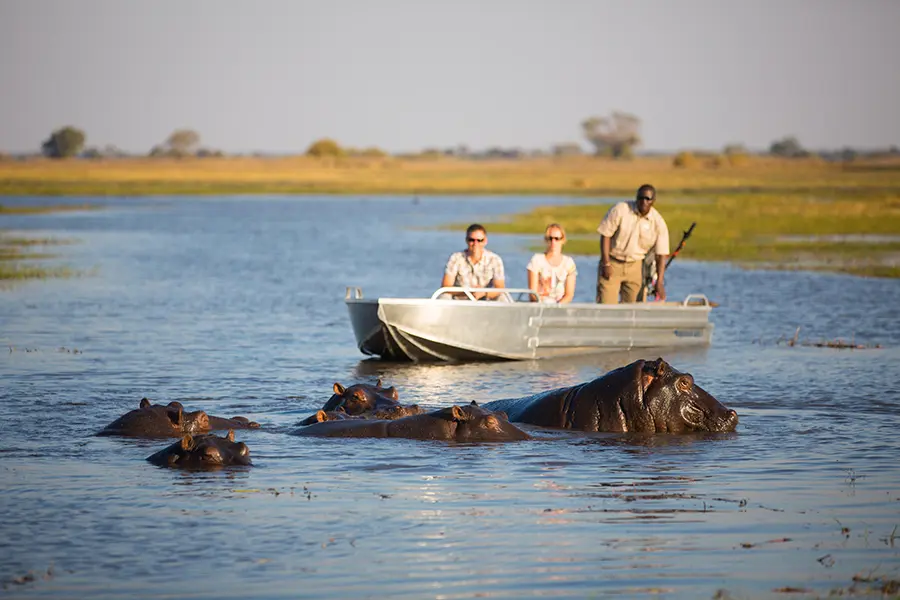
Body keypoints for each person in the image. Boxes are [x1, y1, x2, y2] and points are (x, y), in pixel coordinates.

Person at [596, 184, 670, 304]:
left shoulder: (658, 222)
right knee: (606, 307)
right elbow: (605, 235)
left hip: (636, 267)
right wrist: (606, 263)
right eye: (640, 198)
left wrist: (659, 282)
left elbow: (661, 254)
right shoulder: (620, 210)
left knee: (634, 310)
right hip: (613, 263)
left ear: (653, 201)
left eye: (647, 199)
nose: (643, 201)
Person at [441, 224, 506, 300]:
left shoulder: (495, 259)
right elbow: (446, 286)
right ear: (466, 240)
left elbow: (500, 287)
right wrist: (468, 292)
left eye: (479, 240)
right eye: (471, 240)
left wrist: (484, 292)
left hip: (486, 300)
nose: (475, 244)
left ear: (485, 241)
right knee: (444, 296)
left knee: (503, 297)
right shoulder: (456, 258)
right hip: (460, 300)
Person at [526, 223, 577, 304]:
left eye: (557, 239)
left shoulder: (568, 263)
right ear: (546, 240)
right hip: (540, 306)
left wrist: (557, 307)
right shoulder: (536, 260)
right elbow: (533, 293)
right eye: (550, 238)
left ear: (563, 240)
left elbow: (569, 295)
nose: (553, 242)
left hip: (560, 307)